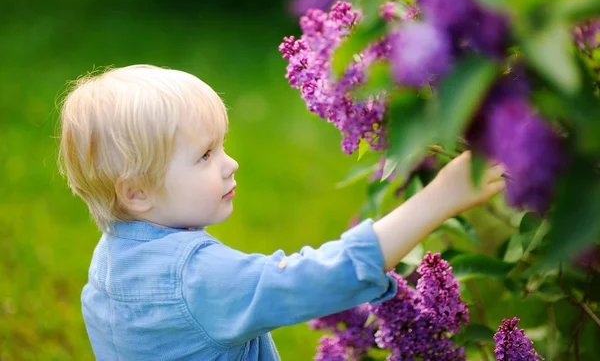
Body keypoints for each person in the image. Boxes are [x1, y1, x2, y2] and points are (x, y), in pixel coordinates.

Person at [57, 64, 506, 360]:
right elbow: (316, 278)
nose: (230, 163)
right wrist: (440, 197)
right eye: (205, 155)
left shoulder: (110, 263)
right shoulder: (198, 279)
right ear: (137, 192)